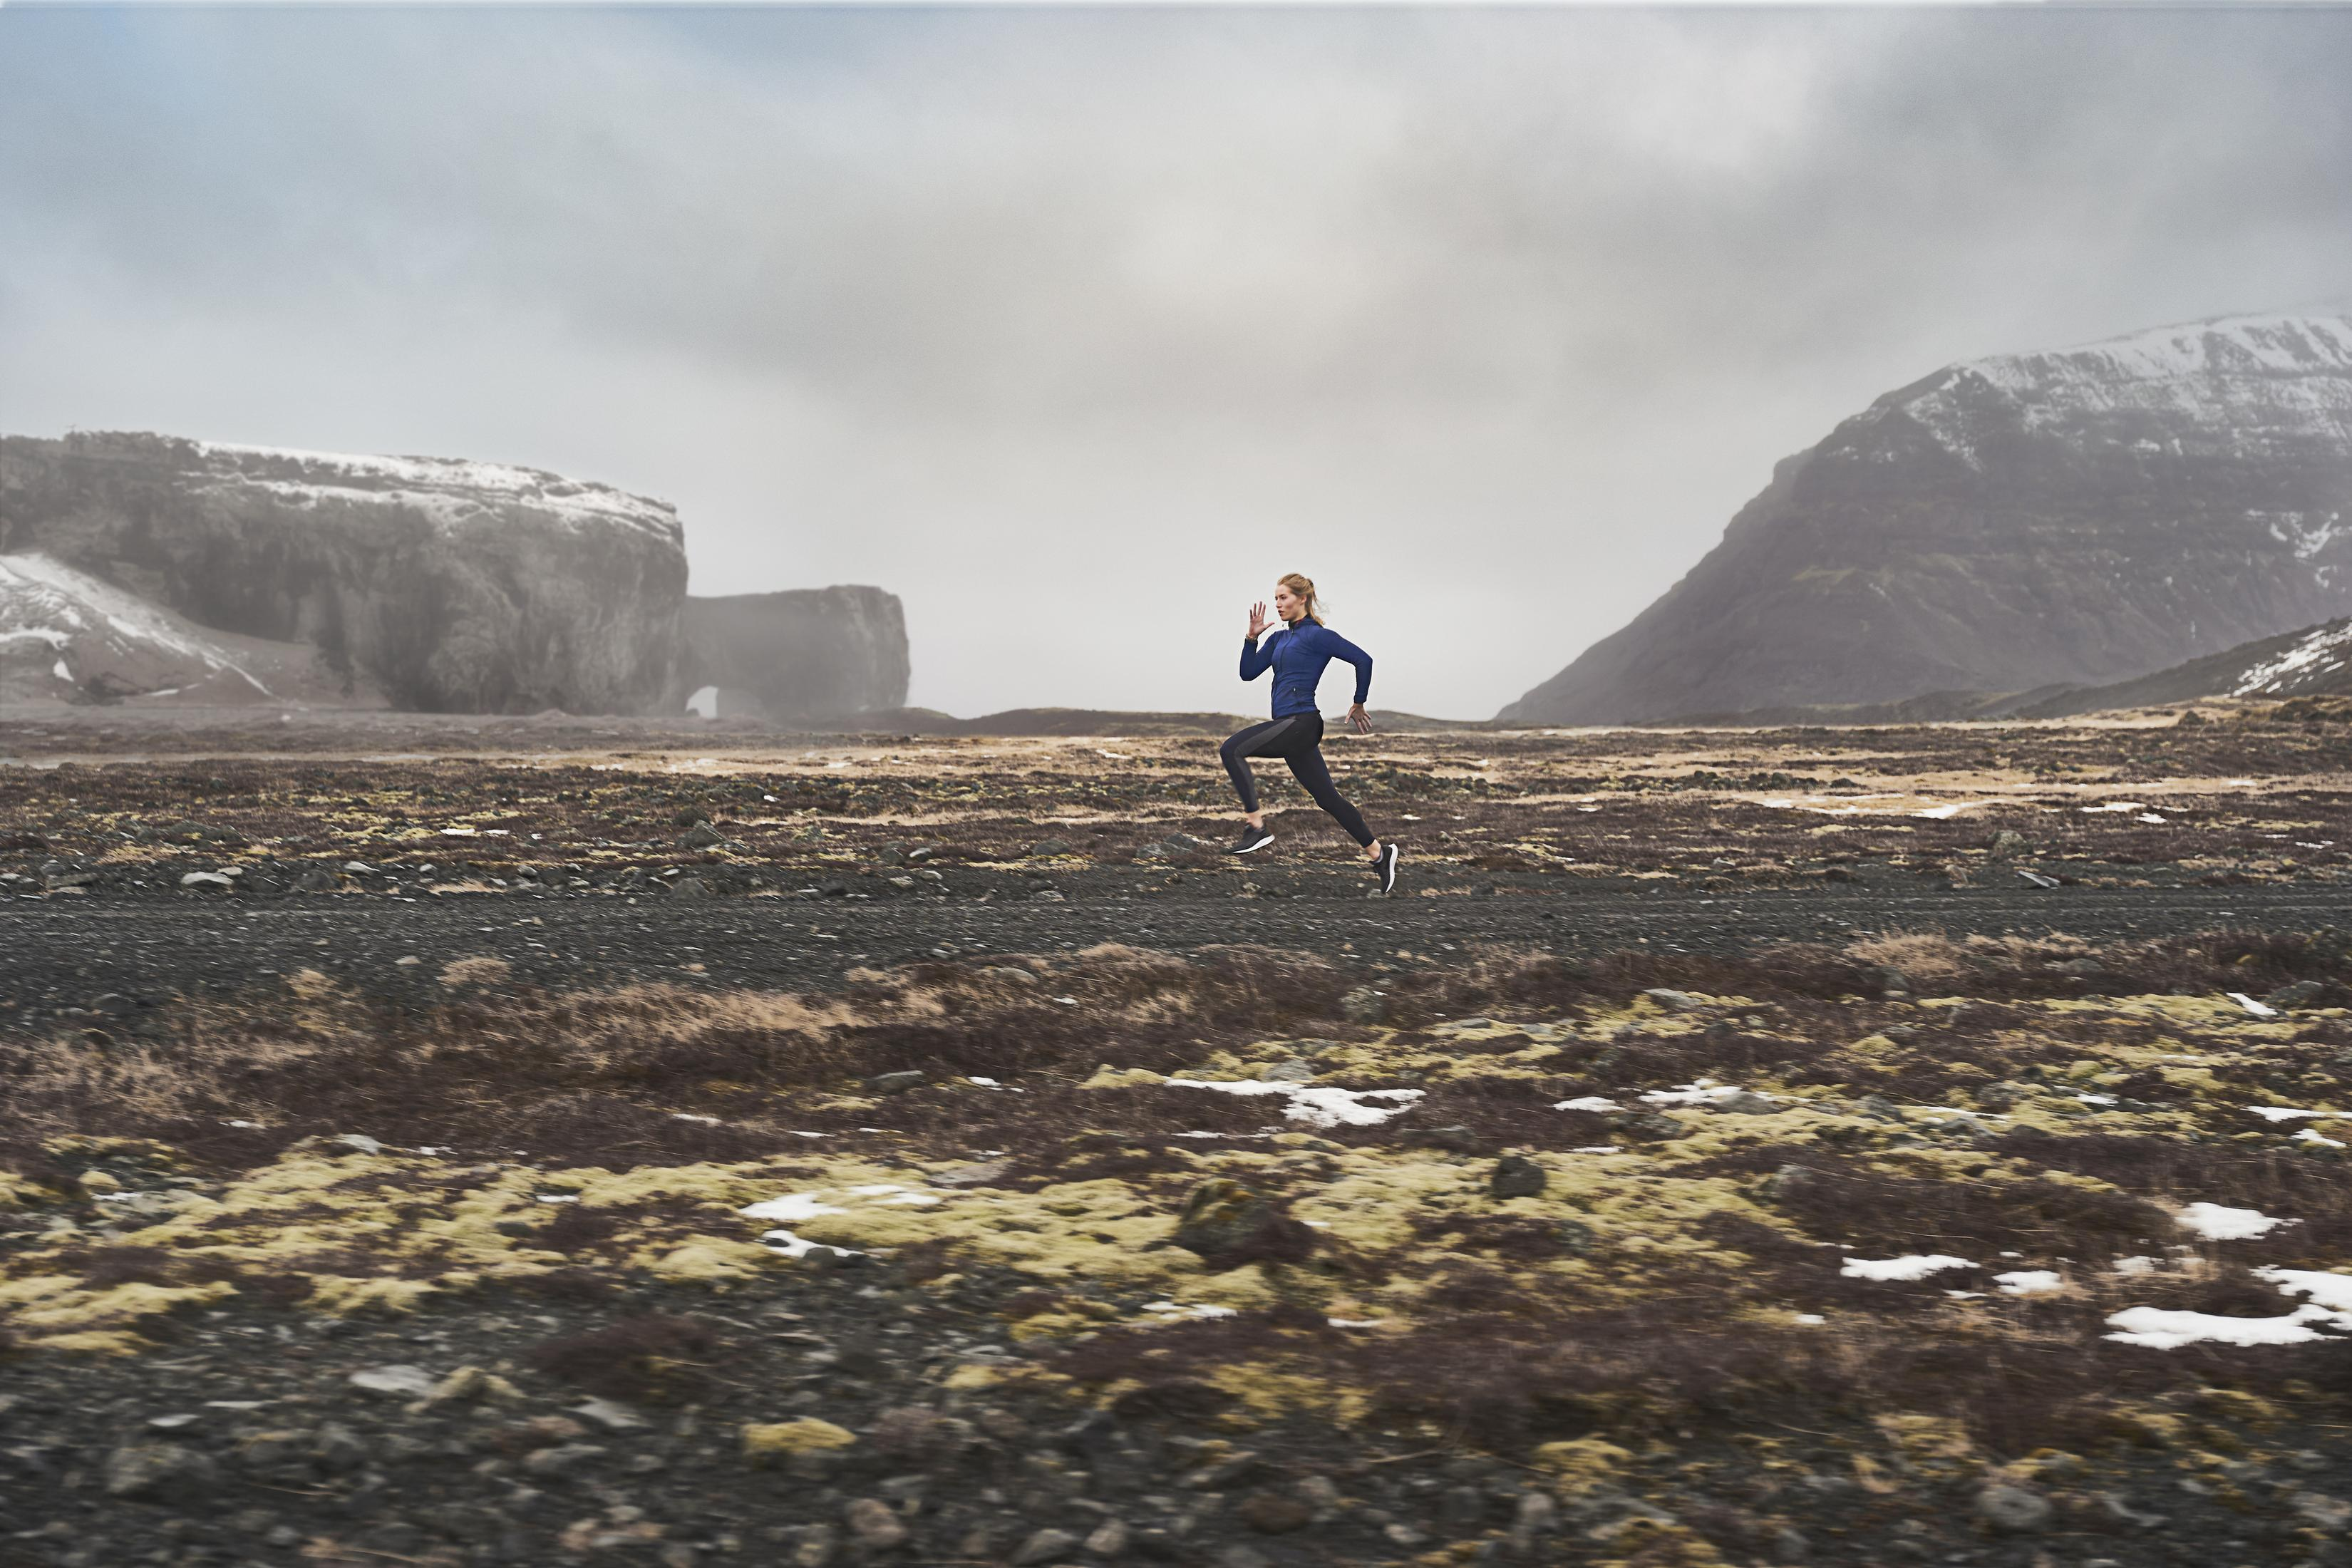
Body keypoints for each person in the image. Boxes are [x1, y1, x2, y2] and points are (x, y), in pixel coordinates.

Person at [1221, 572, 1401, 894]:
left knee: (1231, 749)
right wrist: (1251, 639)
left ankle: (1256, 827)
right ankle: (1379, 854)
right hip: (1290, 726)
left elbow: (1364, 659)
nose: (1278, 605)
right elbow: (1247, 674)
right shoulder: (1277, 639)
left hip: (1303, 722)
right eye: (1275, 598)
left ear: (1302, 599)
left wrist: (1359, 701)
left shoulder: (1318, 636)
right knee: (1327, 798)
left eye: (1284, 598)